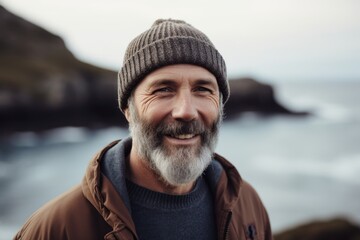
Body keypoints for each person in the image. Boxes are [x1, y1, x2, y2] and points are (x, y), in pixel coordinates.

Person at [15, 19, 272, 240]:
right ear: (129, 109)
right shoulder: (55, 228)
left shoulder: (248, 207)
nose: (186, 111)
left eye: (203, 90)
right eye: (163, 89)